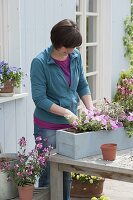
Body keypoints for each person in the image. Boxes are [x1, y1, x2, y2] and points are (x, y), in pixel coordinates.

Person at [30, 19, 93, 200]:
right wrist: (66, 112)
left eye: (74, 47)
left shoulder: (75, 56)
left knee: (67, 174)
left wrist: (90, 108)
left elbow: (82, 84)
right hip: (47, 127)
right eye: (68, 47)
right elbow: (40, 99)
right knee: (49, 175)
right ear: (57, 43)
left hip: (69, 125)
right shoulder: (40, 62)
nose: (72, 51)